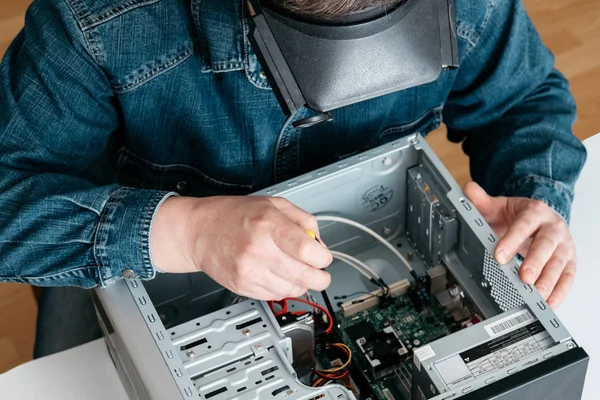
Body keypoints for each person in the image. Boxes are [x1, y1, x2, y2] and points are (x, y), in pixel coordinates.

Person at [0, 0, 586, 358]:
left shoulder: (470, 4)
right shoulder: (103, 19)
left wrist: (537, 195)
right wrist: (189, 232)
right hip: (138, 249)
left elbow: (526, 102)